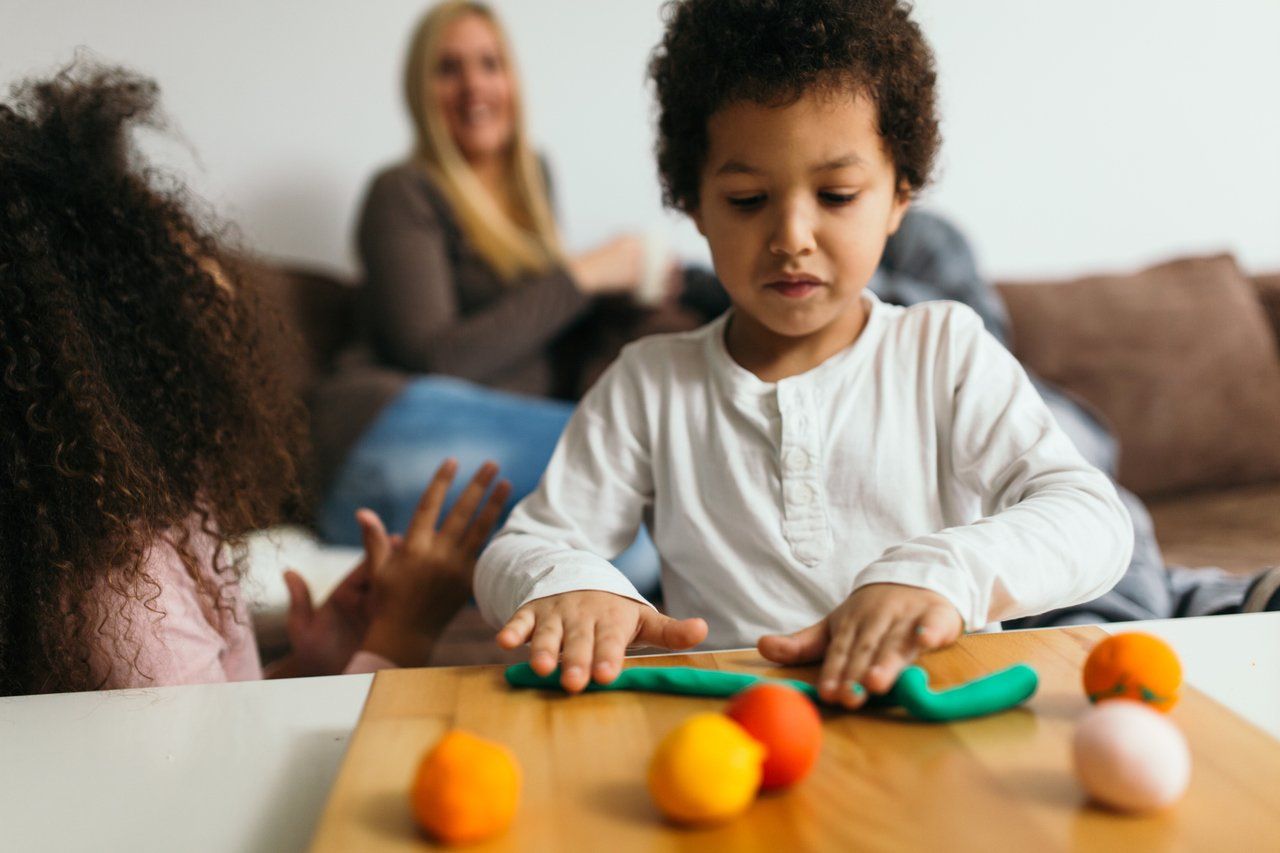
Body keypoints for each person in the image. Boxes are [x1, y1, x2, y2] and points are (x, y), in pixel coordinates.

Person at [475, 0, 1134, 709]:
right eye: (748, 197)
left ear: (899, 197)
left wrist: (941, 573)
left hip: (932, 720)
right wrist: (572, 584)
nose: (792, 234)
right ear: (694, 204)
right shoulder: (649, 385)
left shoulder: (944, 351)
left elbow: (1093, 519)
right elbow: (520, 547)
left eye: (837, 194)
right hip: (735, 738)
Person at [0, 63, 509, 695]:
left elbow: (212, 710)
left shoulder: (158, 510)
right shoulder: (123, 584)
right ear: (121, 341)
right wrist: (402, 636)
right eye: (182, 275)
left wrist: (315, 663)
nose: (220, 301)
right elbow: (203, 782)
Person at [315, 0, 677, 592]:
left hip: (484, 438)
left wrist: (626, 294)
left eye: (489, 63)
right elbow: (438, 358)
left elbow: (538, 339)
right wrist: (581, 276)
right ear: (420, 89)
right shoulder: (403, 191)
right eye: (448, 68)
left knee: (638, 510)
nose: (474, 85)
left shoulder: (533, 183)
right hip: (382, 430)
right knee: (630, 475)